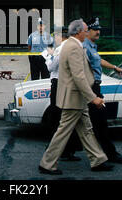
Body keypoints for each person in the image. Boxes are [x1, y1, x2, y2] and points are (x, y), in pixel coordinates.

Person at [39, 19, 114, 175]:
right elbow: (78, 76)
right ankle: (47, 164)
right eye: (86, 30)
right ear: (79, 32)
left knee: (86, 129)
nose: (87, 33)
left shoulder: (71, 45)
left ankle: (98, 160)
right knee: (63, 132)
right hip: (73, 98)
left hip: (76, 98)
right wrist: (93, 97)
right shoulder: (73, 47)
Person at [84, 17, 122, 164]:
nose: (98, 32)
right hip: (91, 88)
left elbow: (99, 60)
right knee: (100, 122)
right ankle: (110, 154)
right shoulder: (84, 47)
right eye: (95, 29)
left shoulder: (92, 47)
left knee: (81, 123)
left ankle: (64, 151)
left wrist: (115, 68)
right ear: (87, 31)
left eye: (99, 30)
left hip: (94, 86)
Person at [44, 26, 83, 161]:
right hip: (69, 84)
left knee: (57, 117)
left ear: (60, 36)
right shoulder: (74, 46)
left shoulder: (60, 49)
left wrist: (49, 55)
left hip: (58, 84)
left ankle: (59, 149)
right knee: (68, 117)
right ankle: (69, 148)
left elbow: (51, 67)